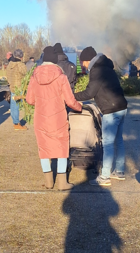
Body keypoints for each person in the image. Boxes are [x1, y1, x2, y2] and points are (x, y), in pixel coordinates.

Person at [26, 46, 82, 190]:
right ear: (55, 61)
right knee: (62, 148)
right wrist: (79, 107)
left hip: (41, 118)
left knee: (43, 149)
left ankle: (49, 182)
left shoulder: (34, 77)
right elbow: (70, 101)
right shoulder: (61, 77)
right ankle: (62, 183)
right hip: (58, 118)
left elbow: (29, 100)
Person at [75, 46, 128, 186]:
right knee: (119, 140)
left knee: (108, 143)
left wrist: (71, 96)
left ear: (87, 60)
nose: (82, 65)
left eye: (83, 62)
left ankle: (104, 177)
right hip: (122, 107)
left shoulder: (96, 70)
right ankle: (120, 171)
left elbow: (89, 93)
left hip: (111, 110)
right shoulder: (106, 66)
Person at [6, 49, 28, 131]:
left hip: (12, 87)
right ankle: (16, 123)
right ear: (21, 57)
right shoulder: (20, 65)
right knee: (16, 106)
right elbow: (26, 74)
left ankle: (15, 121)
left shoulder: (10, 64)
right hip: (19, 87)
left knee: (13, 105)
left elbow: (7, 75)